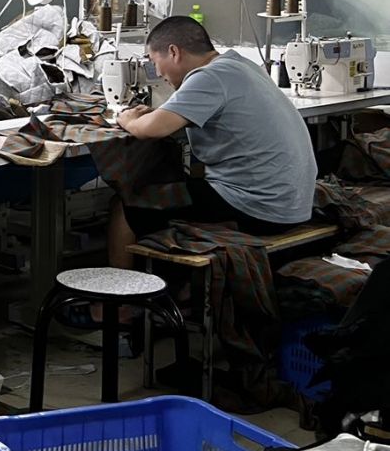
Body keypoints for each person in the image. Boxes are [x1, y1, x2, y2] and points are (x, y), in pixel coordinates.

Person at [110, 15, 316, 269]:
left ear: (174, 52)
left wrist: (127, 119)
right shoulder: (241, 65)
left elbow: (152, 129)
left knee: (127, 202)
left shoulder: (209, 77)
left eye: (154, 62)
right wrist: (159, 114)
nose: (159, 73)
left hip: (259, 209)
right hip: (294, 204)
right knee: (177, 191)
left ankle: (119, 293)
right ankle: (169, 280)